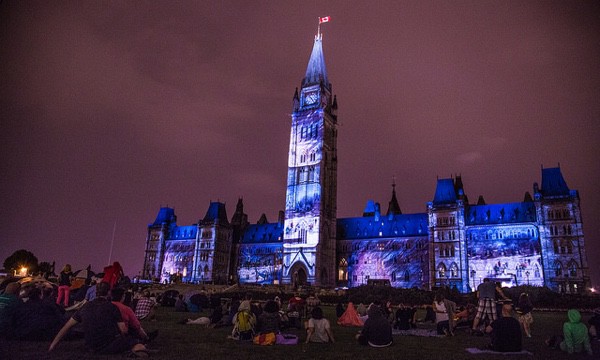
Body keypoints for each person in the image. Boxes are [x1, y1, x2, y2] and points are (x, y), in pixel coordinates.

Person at [48, 282, 149, 357]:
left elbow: (66, 327)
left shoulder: (85, 307)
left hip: (90, 345)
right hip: (108, 344)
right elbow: (124, 330)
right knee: (140, 346)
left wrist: (52, 346)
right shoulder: (112, 307)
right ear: (109, 292)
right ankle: (132, 353)